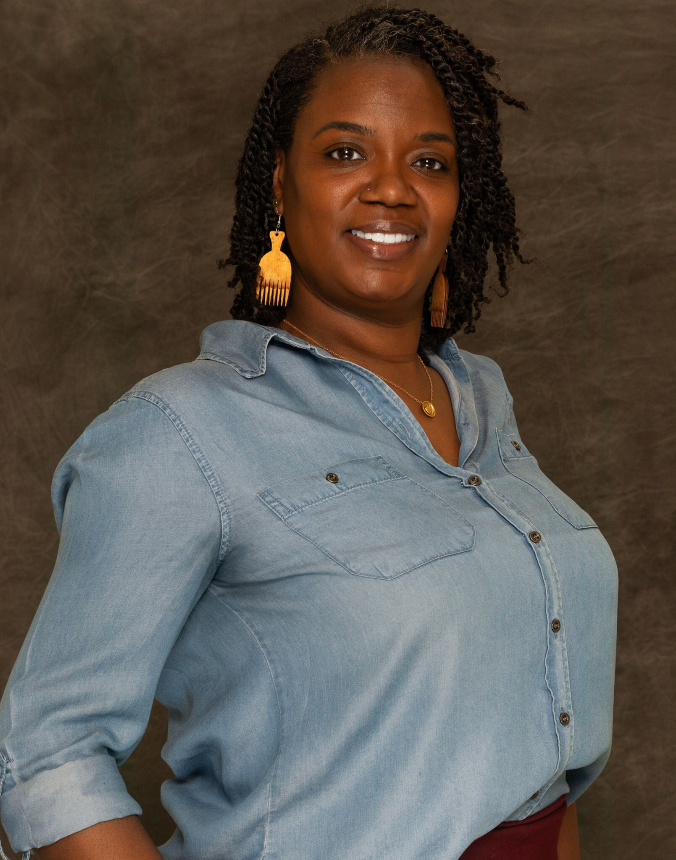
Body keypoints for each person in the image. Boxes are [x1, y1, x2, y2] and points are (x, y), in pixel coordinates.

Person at [0, 6, 617, 860]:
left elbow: (536, 773)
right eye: (345, 152)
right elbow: (46, 754)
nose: (392, 187)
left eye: (429, 161)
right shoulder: (179, 433)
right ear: (282, 184)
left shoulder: (483, 404)